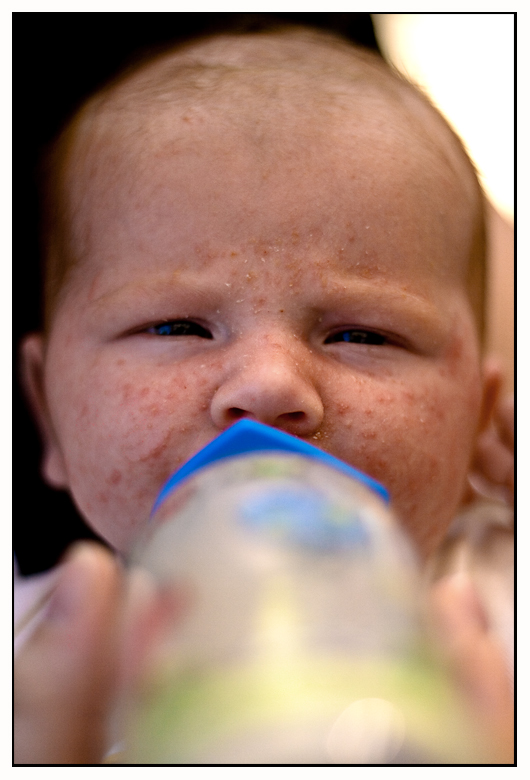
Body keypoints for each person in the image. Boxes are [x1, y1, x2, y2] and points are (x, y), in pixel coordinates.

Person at [14, 26, 514, 764]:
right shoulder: (32, 652)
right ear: (48, 414)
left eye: (363, 335)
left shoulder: (500, 595)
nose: (269, 383)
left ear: (480, 413)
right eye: (176, 325)